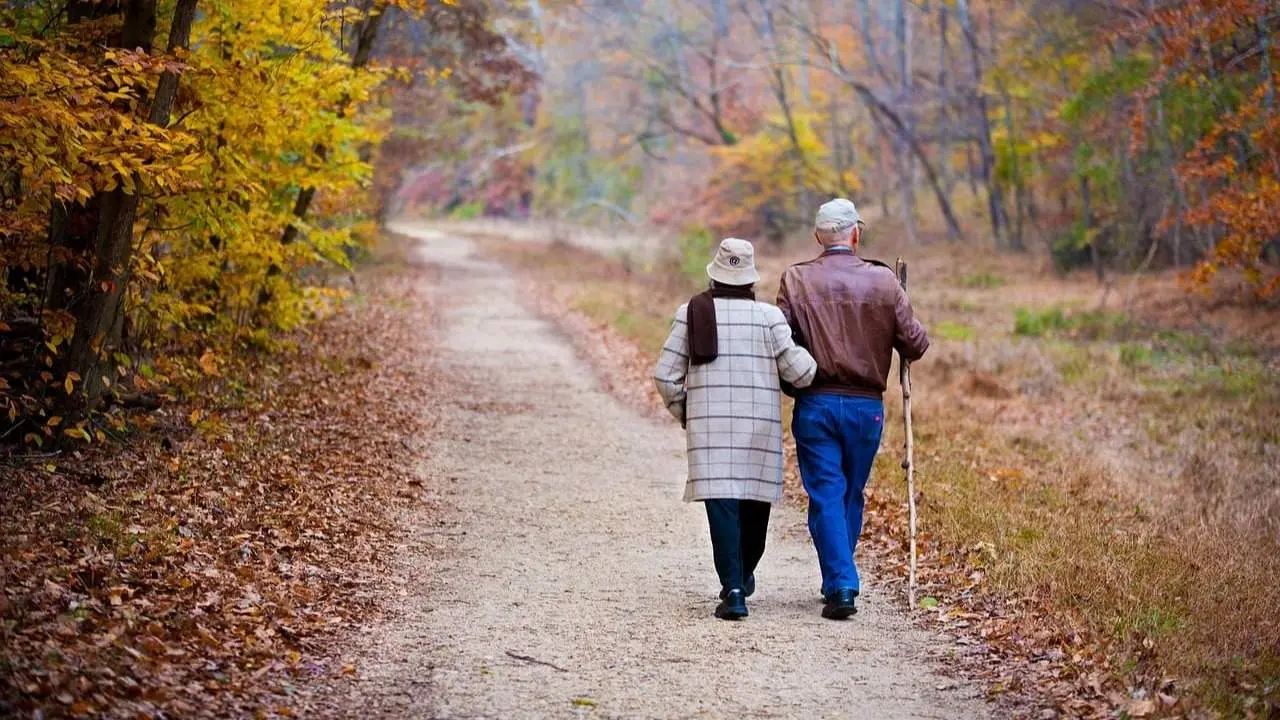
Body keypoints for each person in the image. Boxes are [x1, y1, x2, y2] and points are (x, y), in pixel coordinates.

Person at [776, 199, 930, 620]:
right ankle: (841, 581)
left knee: (826, 492)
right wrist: (898, 305)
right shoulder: (883, 281)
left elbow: (779, 341)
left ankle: (839, 581)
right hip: (866, 408)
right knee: (848, 492)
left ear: (818, 237)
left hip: (816, 401)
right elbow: (916, 344)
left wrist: (793, 377)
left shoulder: (796, 279)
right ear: (856, 235)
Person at [654, 238, 817, 621]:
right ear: (751, 281)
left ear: (714, 276)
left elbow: (665, 375)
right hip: (758, 429)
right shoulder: (769, 318)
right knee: (754, 507)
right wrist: (810, 351)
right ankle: (742, 577)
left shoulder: (691, 313)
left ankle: (734, 588)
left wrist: (686, 411)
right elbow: (802, 373)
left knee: (722, 507)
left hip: (709, 432)